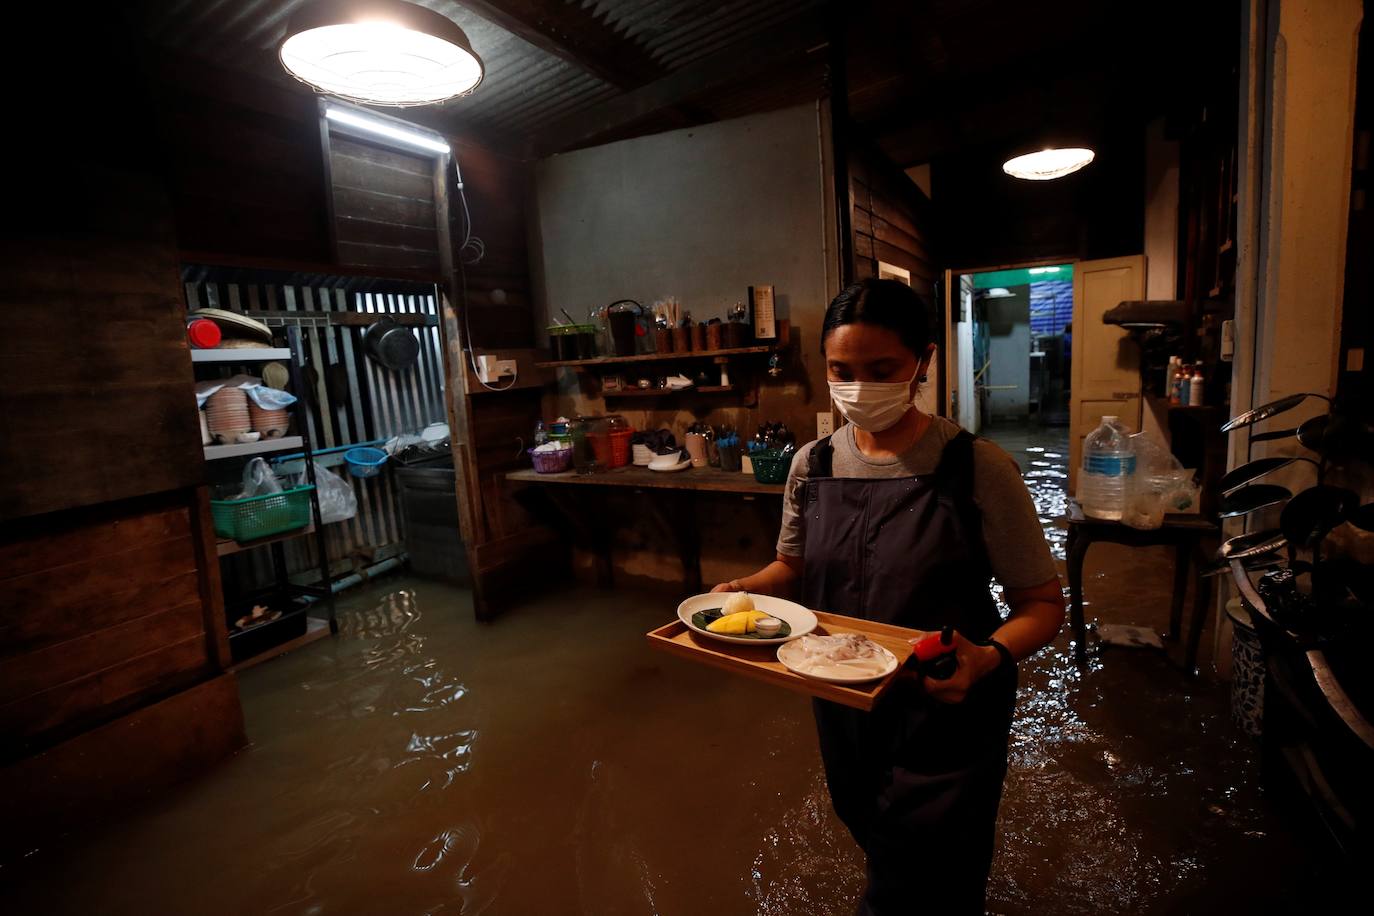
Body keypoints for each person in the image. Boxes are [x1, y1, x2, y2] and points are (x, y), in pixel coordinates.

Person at [712, 278, 1064, 915]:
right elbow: (791, 565)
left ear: (923, 363)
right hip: (843, 698)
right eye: (842, 370)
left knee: (921, 876)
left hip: (948, 708)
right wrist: (746, 591)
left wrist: (987, 658)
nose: (858, 387)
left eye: (882, 369)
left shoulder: (976, 467)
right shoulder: (811, 465)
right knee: (876, 834)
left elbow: (1042, 605)